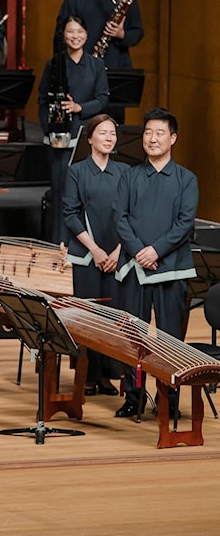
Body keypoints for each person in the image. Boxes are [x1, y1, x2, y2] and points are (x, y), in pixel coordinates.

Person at [113, 108, 198, 419]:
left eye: (160, 133)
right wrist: (139, 251)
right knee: (132, 339)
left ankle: (169, 398)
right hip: (135, 268)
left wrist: (156, 251)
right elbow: (119, 219)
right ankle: (133, 397)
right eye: (148, 132)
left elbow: (185, 223)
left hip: (171, 268)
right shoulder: (130, 176)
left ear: (172, 138)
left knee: (170, 337)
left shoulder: (186, 179)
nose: (152, 138)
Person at [64, 114, 128, 397]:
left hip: (117, 255)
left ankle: (108, 376)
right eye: (102, 132)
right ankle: (87, 376)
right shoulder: (77, 171)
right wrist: (96, 250)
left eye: (112, 133)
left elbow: (130, 216)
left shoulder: (125, 171)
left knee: (114, 317)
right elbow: (70, 214)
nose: (108, 137)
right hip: (87, 254)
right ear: (89, 138)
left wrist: (116, 251)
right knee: (87, 317)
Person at [38, 15, 109, 243]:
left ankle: (89, 245)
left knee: (88, 196)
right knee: (61, 196)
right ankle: (59, 245)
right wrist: (48, 130)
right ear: (63, 35)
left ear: (87, 35)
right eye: (70, 32)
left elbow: (102, 100)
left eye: (79, 32)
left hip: (87, 137)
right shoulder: (54, 64)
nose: (75, 36)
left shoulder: (96, 64)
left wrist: (79, 107)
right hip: (60, 140)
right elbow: (42, 100)